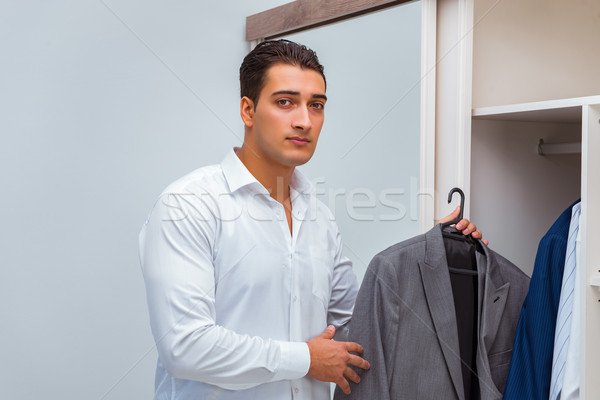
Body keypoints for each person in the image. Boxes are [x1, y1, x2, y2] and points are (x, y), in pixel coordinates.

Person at [139, 39, 485, 400]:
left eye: (315, 105)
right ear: (247, 110)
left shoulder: (319, 218)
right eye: (285, 102)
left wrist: (430, 253)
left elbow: (354, 331)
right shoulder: (187, 205)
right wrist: (305, 359)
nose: (304, 121)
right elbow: (184, 346)